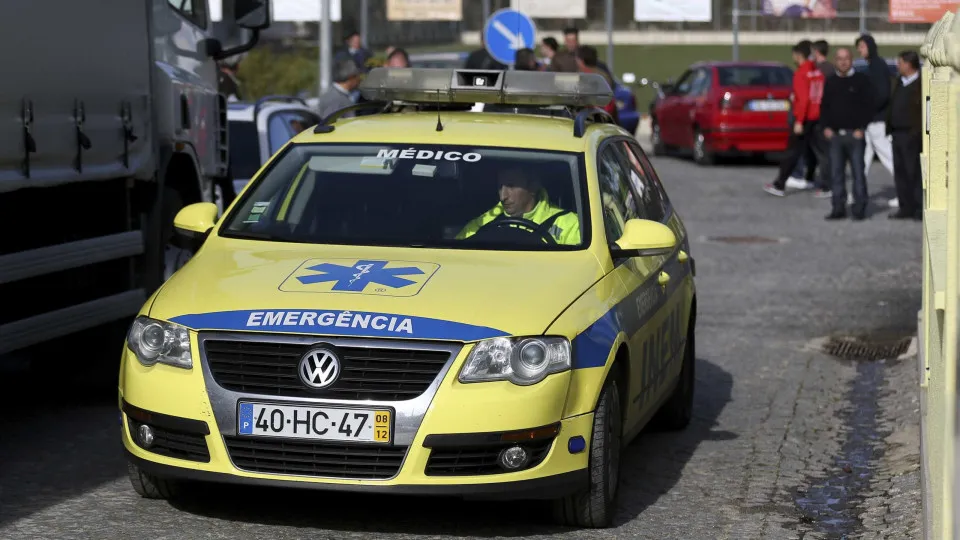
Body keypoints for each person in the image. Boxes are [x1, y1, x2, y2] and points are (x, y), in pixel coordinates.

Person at [764, 41, 828, 197]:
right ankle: (826, 184)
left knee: (792, 152)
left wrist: (799, 121)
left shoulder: (800, 74)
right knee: (820, 153)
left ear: (798, 55)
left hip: (805, 118)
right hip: (817, 116)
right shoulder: (817, 72)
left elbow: (804, 99)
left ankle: (780, 184)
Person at [456, 168, 581, 245]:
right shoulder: (484, 222)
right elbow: (455, 254)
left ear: (532, 187)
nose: (503, 196)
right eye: (500, 187)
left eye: (511, 186)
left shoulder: (570, 224)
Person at [820, 47, 874, 220]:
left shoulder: (862, 80)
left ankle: (859, 208)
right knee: (836, 173)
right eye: (839, 59)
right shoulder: (830, 81)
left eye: (846, 58)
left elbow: (869, 107)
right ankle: (838, 207)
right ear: (835, 61)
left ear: (851, 60)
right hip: (835, 136)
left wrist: (862, 128)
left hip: (855, 136)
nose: (843, 62)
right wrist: (825, 127)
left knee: (858, 173)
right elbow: (824, 106)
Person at [856, 33, 896, 207]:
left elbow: (882, 95)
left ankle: (906, 192)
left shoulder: (878, 66)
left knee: (889, 157)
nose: (860, 50)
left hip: (876, 121)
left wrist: (867, 110)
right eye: (859, 47)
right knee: (862, 159)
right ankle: (858, 192)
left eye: (862, 47)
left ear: (870, 47)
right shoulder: (873, 65)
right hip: (870, 121)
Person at [886, 50, 923, 220]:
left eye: (900, 63)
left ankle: (918, 208)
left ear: (909, 64)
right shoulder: (898, 82)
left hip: (912, 135)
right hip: (897, 134)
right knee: (900, 173)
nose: (897, 66)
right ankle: (905, 207)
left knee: (914, 172)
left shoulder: (922, 84)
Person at [576, 46, 619, 123]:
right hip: (607, 116)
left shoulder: (581, 76)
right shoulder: (603, 74)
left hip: (590, 118)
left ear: (581, 61)